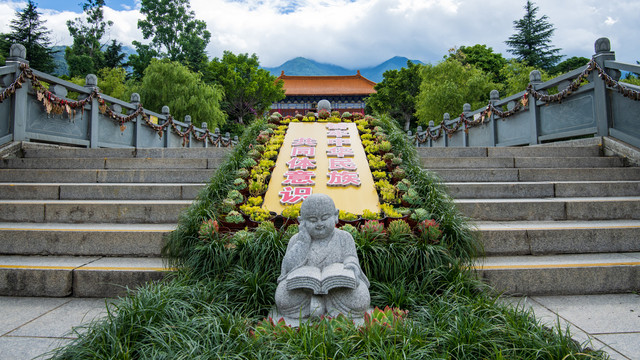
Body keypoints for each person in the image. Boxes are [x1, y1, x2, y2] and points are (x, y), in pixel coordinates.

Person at [275, 194, 370, 319]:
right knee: (282, 296)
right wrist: (303, 244)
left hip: (337, 289)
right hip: (304, 290)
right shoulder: (297, 240)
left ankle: (319, 304)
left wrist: (352, 267)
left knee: (361, 297)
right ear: (301, 221)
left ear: (335, 216)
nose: (319, 224)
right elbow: (287, 268)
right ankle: (325, 305)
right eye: (313, 220)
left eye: (324, 218)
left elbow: (351, 257)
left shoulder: (344, 237)